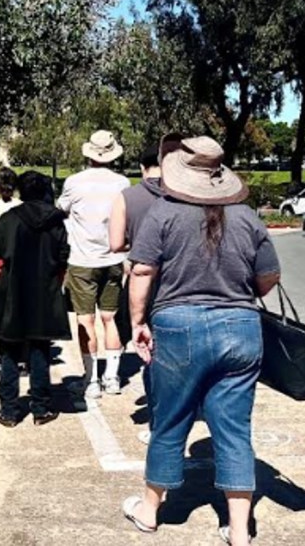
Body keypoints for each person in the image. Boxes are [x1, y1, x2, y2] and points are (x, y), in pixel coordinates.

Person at [122, 135, 281, 546]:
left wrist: (138, 321)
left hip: (178, 326)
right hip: (242, 327)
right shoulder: (248, 218)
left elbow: (141, 273)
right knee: (234, 428)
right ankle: (240, 529)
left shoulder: (163, 213)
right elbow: (268, 278)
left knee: (170, 419)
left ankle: (150, 510)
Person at [0, 171, 71, 427]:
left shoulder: (8, 219)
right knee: (40, 348)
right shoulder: (56, 221)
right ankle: (41, 407)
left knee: (9, 349)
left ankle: (9, 409)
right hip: (44, 289)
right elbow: (63, 256)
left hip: (13, 290)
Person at [58, 130, 131, 398]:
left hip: (82, 259)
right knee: (110, 318)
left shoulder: (74, 182)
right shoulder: (122, 183)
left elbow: (61, 209)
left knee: (85, 320)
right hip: (113, 257)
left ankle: (91, 379)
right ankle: (112, 376)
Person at [108, 144, 164, 443]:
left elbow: (116, 243)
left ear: (142, 168)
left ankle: (158, 415)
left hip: (142, 278)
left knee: (148, 351)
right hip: (177, 280)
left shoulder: (127, 196)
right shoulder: (182, 196)